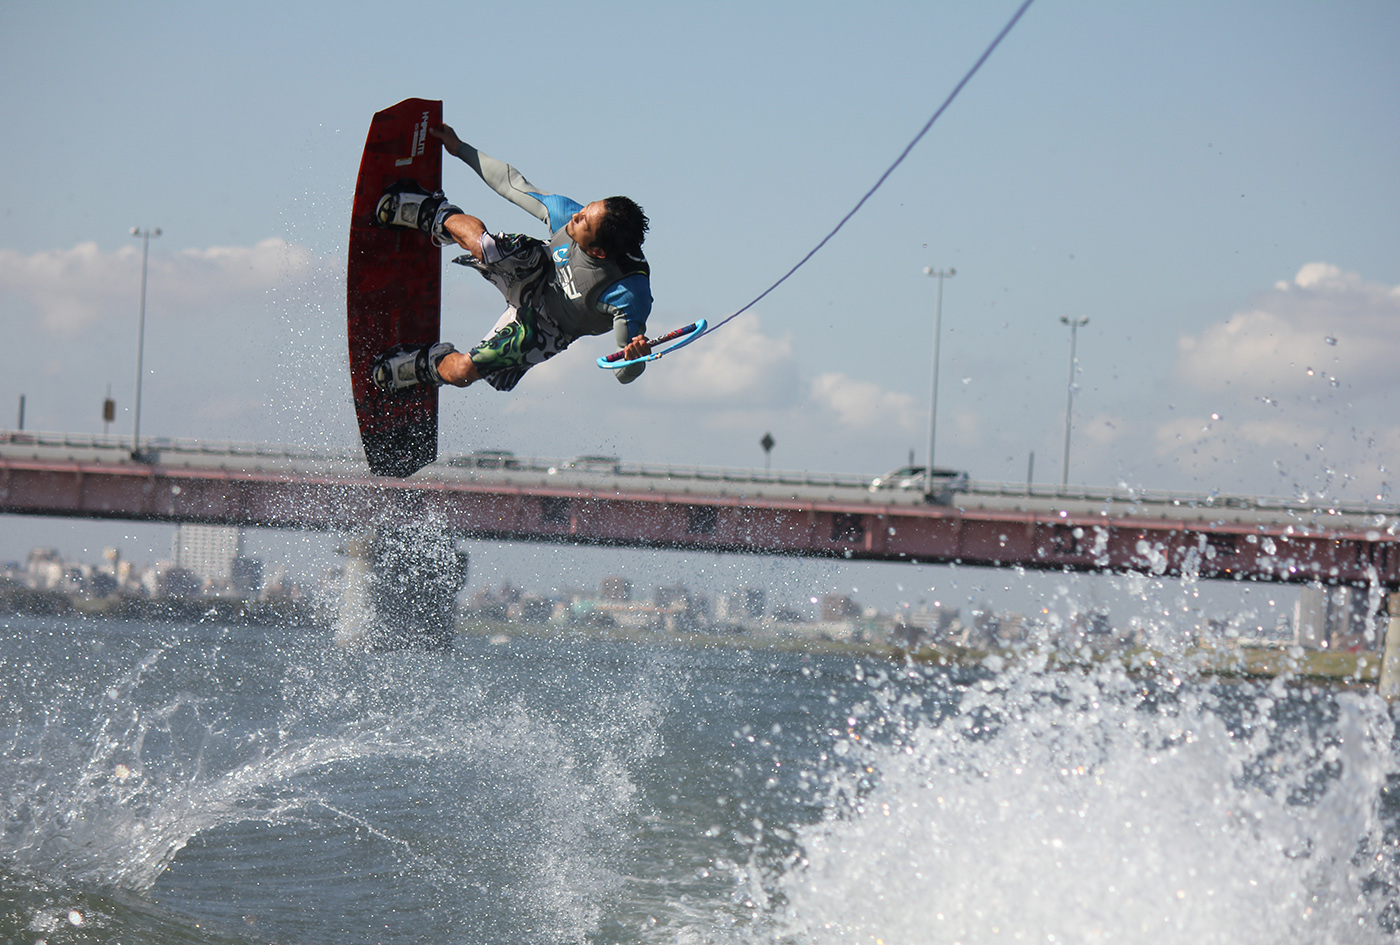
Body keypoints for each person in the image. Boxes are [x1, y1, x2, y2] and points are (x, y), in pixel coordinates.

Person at [371, 123, 653, 394]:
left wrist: (636, 359)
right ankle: (431, 213)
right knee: (487, 247)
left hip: (547, 328)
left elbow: (622, 373)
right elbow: (512, 184)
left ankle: (424, 365)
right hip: (539, 268)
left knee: (463, 372)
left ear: (598, 252)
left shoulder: (628, 294)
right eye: (586, 208)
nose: (576, 217)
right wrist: (460, 148)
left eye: (583, 223)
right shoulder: (572, 216)